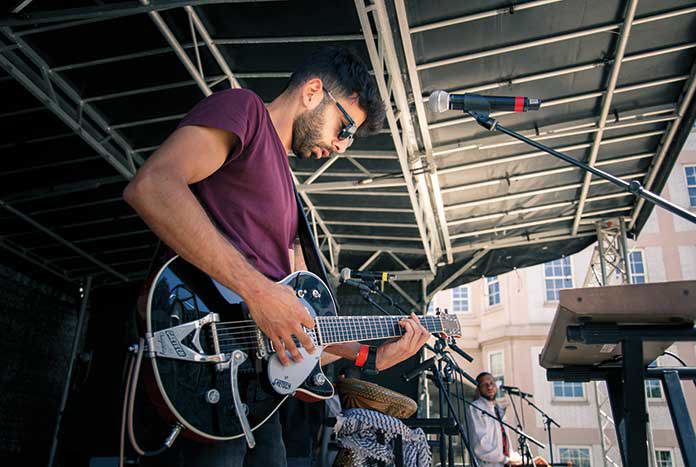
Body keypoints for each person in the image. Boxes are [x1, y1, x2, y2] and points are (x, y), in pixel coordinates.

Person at [123, 46, 431, 466]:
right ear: (312, 92)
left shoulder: (289, 192)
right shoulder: (244, 109)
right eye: (344, 128)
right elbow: (153, 187)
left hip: (253, 392)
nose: (342, 146)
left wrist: (372, 356)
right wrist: (259, 293)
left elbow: (305, 327)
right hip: (202, 361)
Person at [467, 372, 523, 467]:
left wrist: (522, 459)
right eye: (485, 385)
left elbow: (504, 444)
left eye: (492, 383)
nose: (489, 387)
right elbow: (480, 446)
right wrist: (506, 460)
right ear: (478, 389)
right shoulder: (475, 408)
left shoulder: (498, 409)